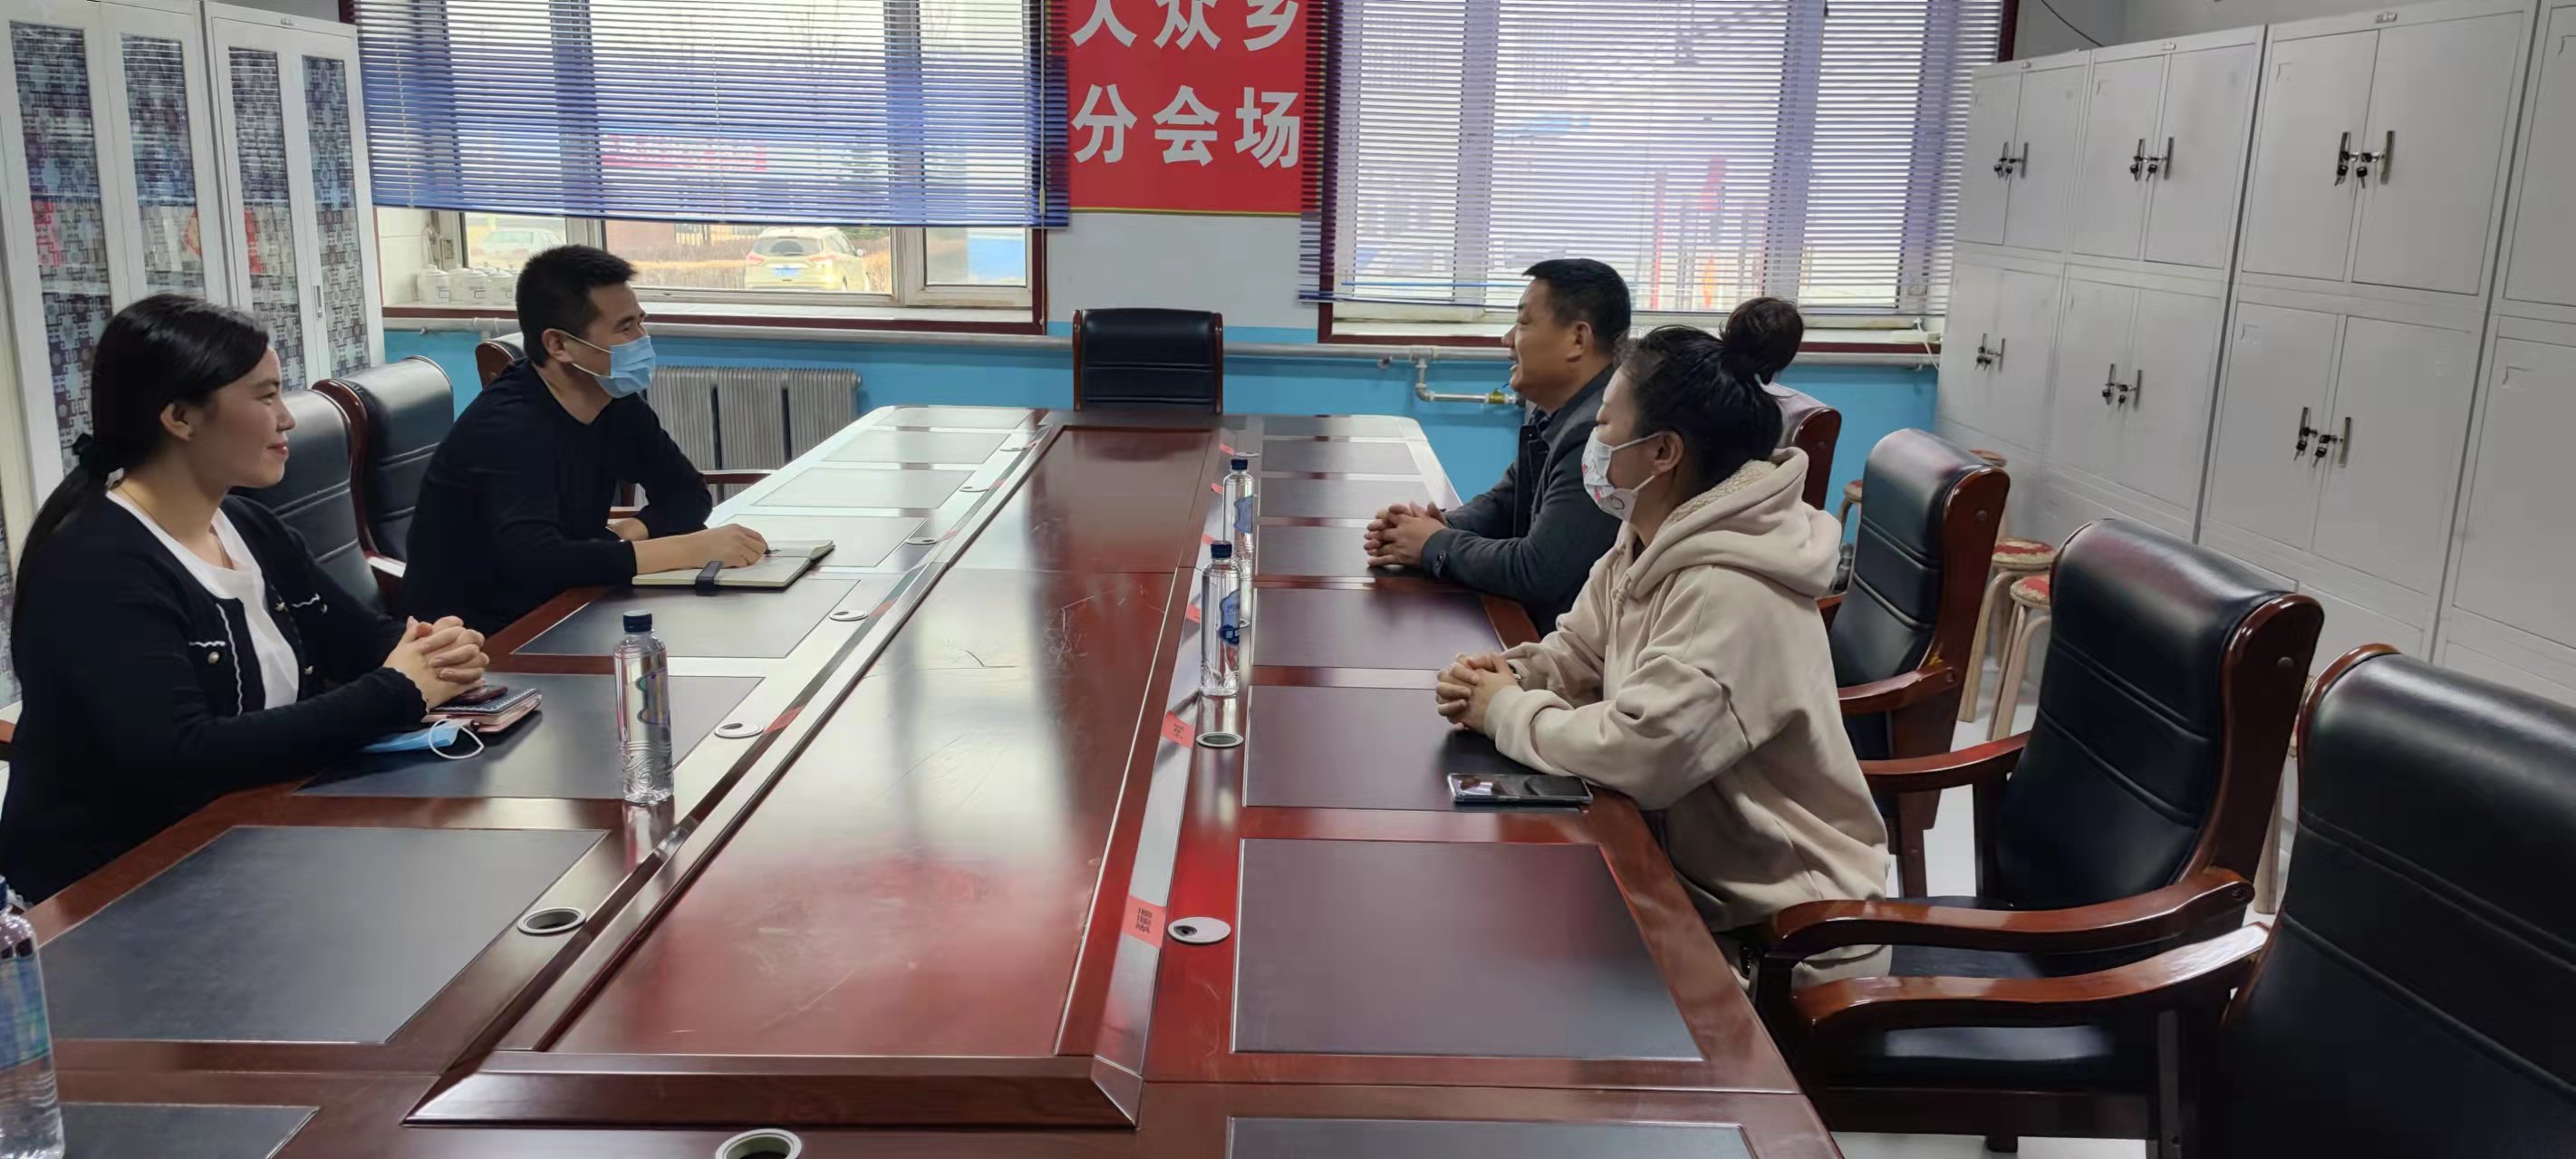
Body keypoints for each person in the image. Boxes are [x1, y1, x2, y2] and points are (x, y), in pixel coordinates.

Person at [1432, 324, 1889, 983]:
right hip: (1693, 884)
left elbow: (1639, 753)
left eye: (1604, 424)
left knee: (1513, 975)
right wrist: (1514, 674)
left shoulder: (1728, 589)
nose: (1593, 442)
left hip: (1789, 936)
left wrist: (1505, 711)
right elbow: (1581, 650)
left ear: (1662, 452)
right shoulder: (1648, 537)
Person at [0, 296, 492, 903]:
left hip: (260, 840)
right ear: (181, 417)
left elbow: (362, 640)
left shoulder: (247, 525)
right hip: (122, 889)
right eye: (265, 397)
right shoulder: (97, 567)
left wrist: (439, 651)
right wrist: (398, 689)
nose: (287, 419)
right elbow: (186, 756)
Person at [403, 246, 767, 633]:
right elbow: (535, 561)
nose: (642, 340)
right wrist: (684, 549)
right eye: (624, 328)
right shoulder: (509, 426)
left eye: (640, 322)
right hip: (476, 637)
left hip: (574, 606)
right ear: (558, 345)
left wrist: (625, 534)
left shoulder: (614, 400)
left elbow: (687, 493)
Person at [1365, 259, 1627, 632]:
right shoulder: (1559, 415)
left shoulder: (1599, 432)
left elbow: (1537, 570)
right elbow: (1505, 503)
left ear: (1577, 339)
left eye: (1523, 323)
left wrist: (1434, 544)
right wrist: (1432, 526)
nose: (1507, 340)